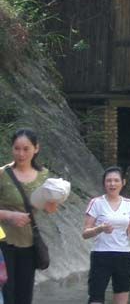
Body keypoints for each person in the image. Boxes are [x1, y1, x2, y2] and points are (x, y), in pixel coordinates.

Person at [0, 129, 58, 304]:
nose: (21, 154)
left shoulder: (44, 175)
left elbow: (48, 209)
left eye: (26, 149)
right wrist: (9, 215)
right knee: (6, 295)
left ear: (36, 148)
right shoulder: (2, 173)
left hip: (29, 243)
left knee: (24, 296)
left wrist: (55, 198)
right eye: (17, 148)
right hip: (2, 243)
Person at [82, 166, 130, 304]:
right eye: (109, 181)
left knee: (122, 296)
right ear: (104, 183)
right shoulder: (96, 203)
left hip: (123, 256)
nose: (112, 184)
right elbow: (85, 233)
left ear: (123, 182)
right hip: (101, 255)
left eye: (116, 180)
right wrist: (100, 229)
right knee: (96, 298)